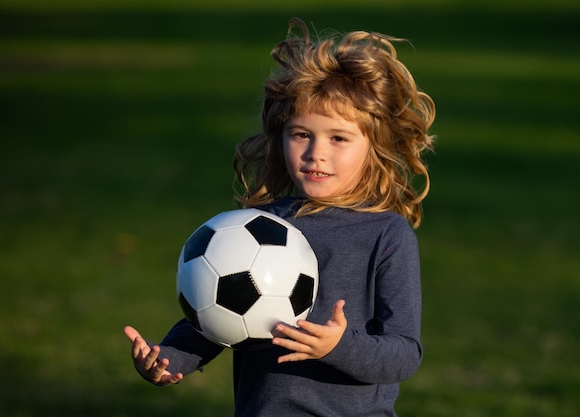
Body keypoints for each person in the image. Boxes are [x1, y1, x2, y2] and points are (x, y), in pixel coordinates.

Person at [124, 17, 435, 417]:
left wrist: (337, 347)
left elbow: (403, 353)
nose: (316, 152)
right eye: (301, 134)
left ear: (374, 145)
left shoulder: (387, 234)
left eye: (338, 138)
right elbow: (216, 316)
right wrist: (168, 358)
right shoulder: (257, 226)